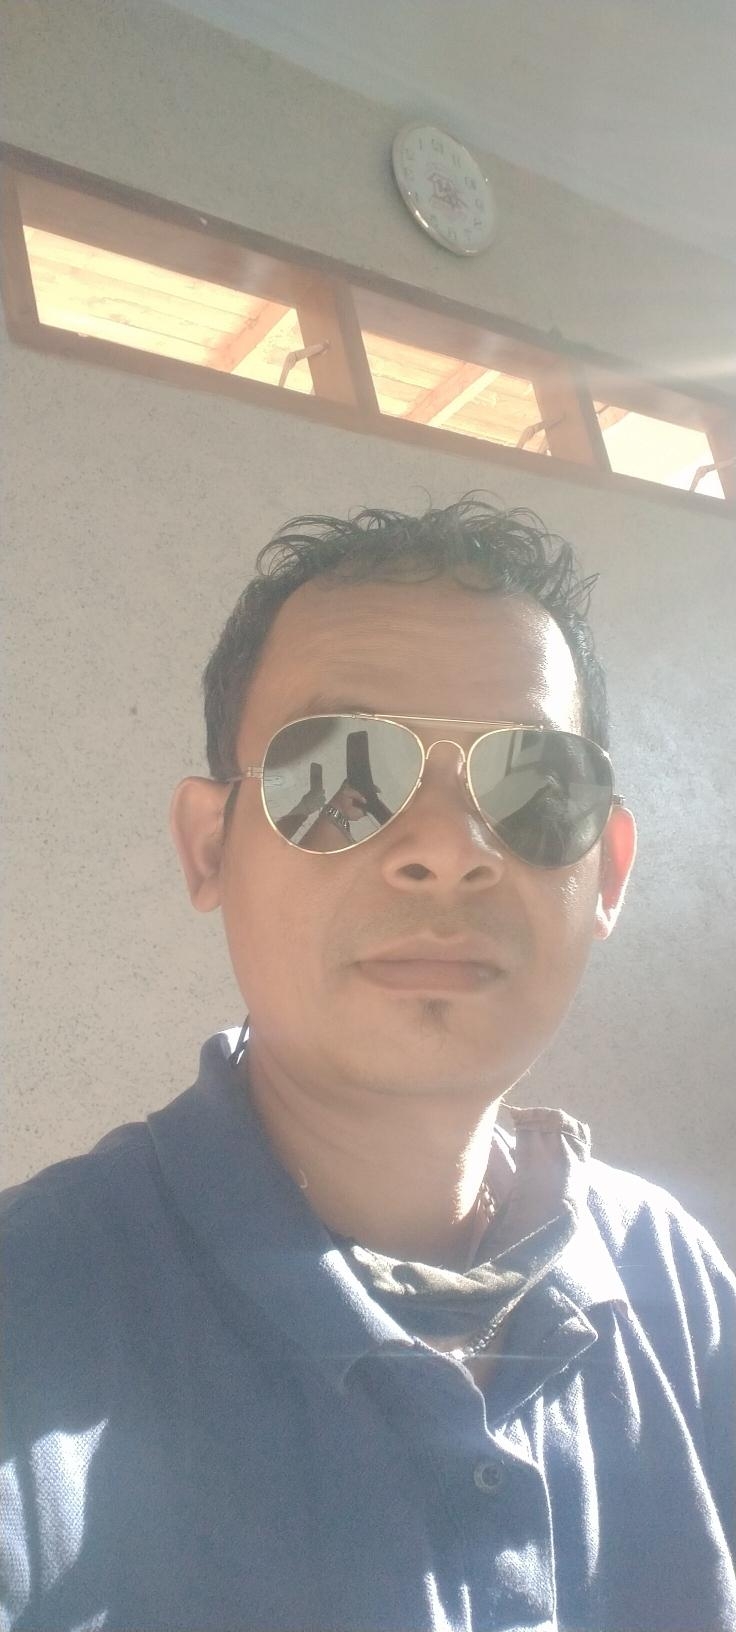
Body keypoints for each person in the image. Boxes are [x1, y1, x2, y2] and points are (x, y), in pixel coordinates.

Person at [2, 495, 734, 1632]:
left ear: (609, 873)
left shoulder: (675, 1284)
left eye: (533, 783)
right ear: (210, 848)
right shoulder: (31, 1317)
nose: (446, 850)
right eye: (337, 772)